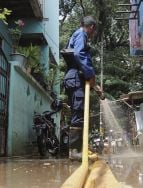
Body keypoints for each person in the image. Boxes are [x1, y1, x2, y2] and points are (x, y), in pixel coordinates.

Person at [63, 16, 102, 160]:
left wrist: (93, 82)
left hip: (74, 78)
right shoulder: (81, 34)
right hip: (75, 78)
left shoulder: (77, 35)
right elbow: (79, 54)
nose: (92, 34)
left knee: (79, 113)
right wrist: (90, 74)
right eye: (93, 31)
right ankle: (74, 151)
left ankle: (80, 147)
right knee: (78, 112)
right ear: (91, 27)